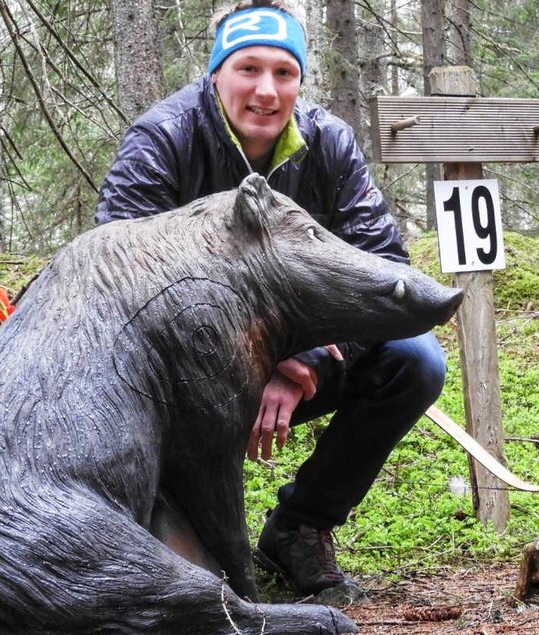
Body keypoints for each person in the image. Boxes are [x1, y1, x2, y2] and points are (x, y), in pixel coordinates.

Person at [95, 0, 447, 601]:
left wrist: (303, 358)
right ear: (215, 74)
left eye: (284, 72)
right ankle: (150, 529)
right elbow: (116, 280)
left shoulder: (327, 141)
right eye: (247, 69)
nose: (266, 91)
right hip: (179, 379)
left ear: (300, 80)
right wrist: (253, 354)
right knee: (194, 584)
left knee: (415, 360)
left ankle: (301, 527)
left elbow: (385, 268)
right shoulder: (163, 138)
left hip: (300, 360)